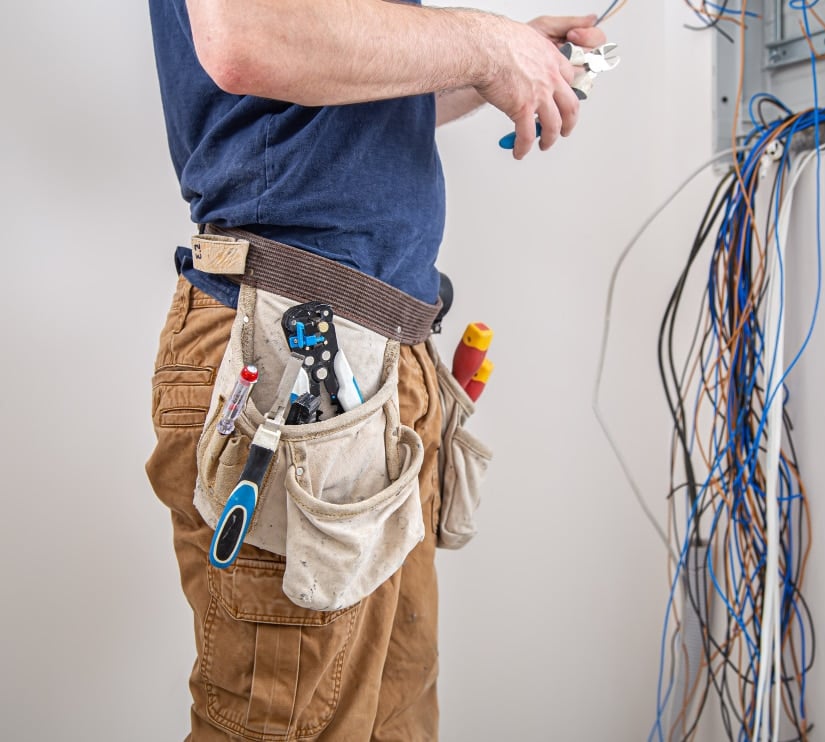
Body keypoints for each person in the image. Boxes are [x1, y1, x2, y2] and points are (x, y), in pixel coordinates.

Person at [145, 2, 606, 739]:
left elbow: (350, 97)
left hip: (382, 364)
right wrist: (489, 47)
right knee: (282, 723)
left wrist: (513, 59)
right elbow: (247, 40)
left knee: (393, 721)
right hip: (284, 356)